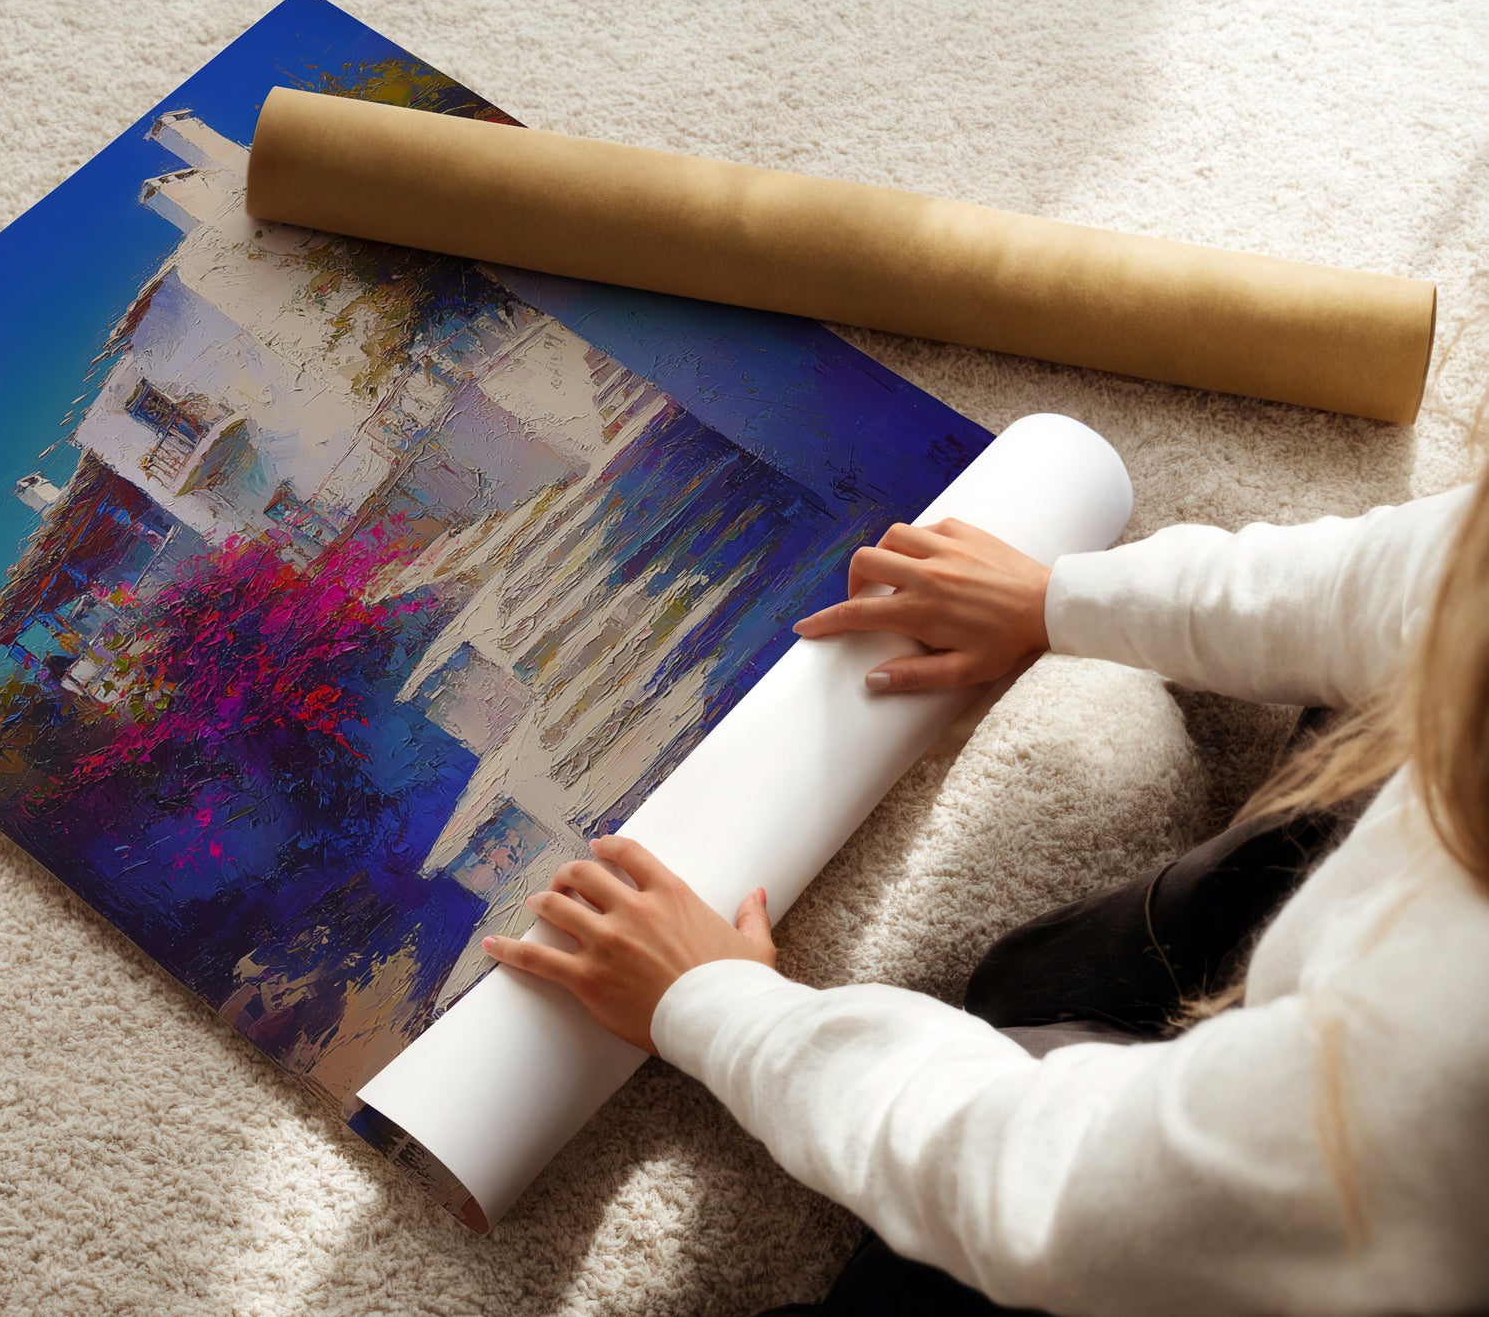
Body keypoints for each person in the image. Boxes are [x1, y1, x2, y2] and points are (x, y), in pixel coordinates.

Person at [483, 466, 1489, 1315]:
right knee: (1040, 981)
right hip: (1349, 1014)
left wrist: (717, 1007)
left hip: (1348, 1225)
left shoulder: (1439, 1066)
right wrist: (1057, 598)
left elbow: (1051, 1191)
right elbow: (1411, 578)